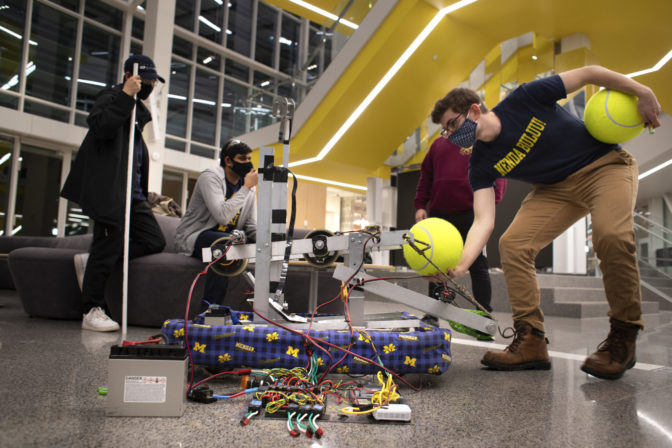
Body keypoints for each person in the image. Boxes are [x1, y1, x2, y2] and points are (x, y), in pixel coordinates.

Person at [431, 65, 661, 380]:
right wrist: (458, 266)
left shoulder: (524, 98)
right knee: (513, 244)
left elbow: (589, 73)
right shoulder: (480, 163)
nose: (450, 135)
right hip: (555, 190)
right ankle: (532, 341)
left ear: (474, 110)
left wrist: (642, 92)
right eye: (445, 131)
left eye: (452, 125)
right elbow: (483, 221)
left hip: (603, 166)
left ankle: (624, 334)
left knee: (610, 236)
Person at [61, 55, 167, 332]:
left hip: (134, 197)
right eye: (147, 80)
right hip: (111, 194)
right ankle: (91, 309)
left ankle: (93, 261)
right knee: (107, 246)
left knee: (153, 240)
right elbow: (102, 127)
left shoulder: (137, 113)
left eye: (153, 81)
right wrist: (125, 95)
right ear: (130, 76)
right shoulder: (111, 97)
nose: (150, 85)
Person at [414, 136, 507, 312]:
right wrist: (420, 205)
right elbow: (426, 175)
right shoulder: (438, 144)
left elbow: (498, 170)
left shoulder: (481, 141)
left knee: (478, 265)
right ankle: (433, 315)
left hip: (471, 213)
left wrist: (491, 200)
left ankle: (484, 314)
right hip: (440, 214)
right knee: (436, 265)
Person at [175, 139, 257, 306]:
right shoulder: (210, 177)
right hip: (197, 236)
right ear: (228, 161)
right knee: (224, 246)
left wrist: (270, 238)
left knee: (245, 244)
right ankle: (209, 312)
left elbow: (251, 226)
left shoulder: (248, 188)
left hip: (231, 238)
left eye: (249, 159)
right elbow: (223, 216)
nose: (248, 164)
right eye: (242, 159)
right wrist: (246, 188)